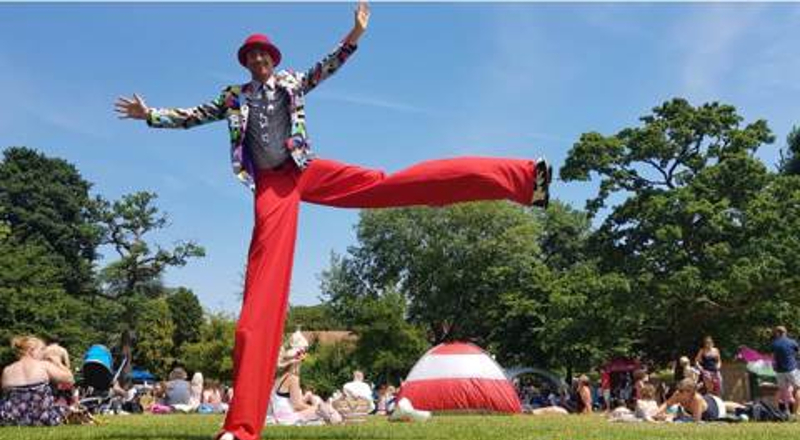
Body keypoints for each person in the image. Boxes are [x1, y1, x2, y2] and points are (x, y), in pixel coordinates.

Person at [115, 3, 551, 439]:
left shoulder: (291, 83)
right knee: (261, 296)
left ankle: (522, 180)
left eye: (264, 55)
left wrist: (354, 36)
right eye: (252, 56)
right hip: (272, 188)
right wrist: (150, 114)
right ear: (246, 62)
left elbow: (327, 67)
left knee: (387, 183)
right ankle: (241, 428)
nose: (259, 61)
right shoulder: (234, 98)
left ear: (273, 59)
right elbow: (193, 116)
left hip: (305, 170)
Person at [0, 336, 74, 426]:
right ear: (31, 350)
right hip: (42, 417)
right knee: (65, 408)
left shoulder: (7, 370)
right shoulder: (43, 365)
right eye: (42, 349)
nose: (44, 353)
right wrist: (58, 363)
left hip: (12, 419)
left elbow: (5, 394)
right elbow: (70, 379)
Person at [269, 346, 321, 425]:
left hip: (279, 416)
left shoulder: (277, 377)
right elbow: (297, 406)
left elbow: (285, 402)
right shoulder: (292, 378)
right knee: (323, 410)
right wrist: (316, 408)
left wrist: (307, 397)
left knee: (316, 402)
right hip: (288, 419)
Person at [656, 378, 725, 422]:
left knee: (725, 405)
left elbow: (696, 420)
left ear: (690, 392)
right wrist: (657, 413)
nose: (679, 392)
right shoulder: (678, 394)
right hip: (708, 399)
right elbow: (667, 404)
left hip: (716, 408)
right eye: (679, 389)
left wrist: (671, 417)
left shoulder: (696, 399)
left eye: (682, 390)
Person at [770, 326, 800, 415]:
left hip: (779, 371)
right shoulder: (792, 342)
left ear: (778, 333)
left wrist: (774, 367)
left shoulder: (774, 344)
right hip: (791, 369)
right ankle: (796, 412)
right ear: (785, 332)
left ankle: (784, 411)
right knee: (798, 389)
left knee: (783, 390)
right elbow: (798, 353)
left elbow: (773, 358)